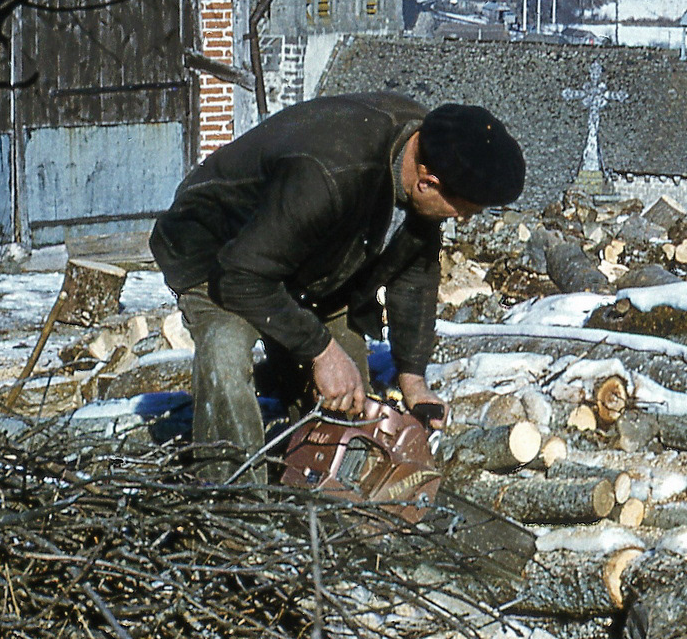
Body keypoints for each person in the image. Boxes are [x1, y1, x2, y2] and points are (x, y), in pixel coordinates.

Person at [151, 92, 525, 478]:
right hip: (217, 251)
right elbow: (241, 276)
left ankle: (314, 494)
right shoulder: (333, 172)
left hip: (308, 255)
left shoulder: (429, 145)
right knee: (226, 354)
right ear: (427, 183)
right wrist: (320, 351)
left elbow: (414, 271)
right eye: (460, 210)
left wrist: (412, 378)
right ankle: (235, 502)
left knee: (350, 404)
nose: (460, 219)